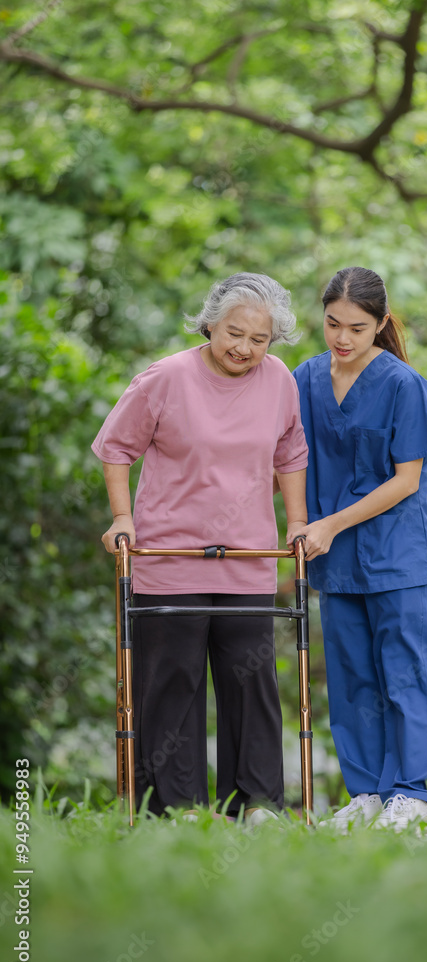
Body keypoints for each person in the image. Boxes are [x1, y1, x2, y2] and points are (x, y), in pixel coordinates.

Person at [92, 273, 308, 822]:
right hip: (170, 559)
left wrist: (298, 523)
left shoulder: (279, 380)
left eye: (259, 340)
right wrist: (122, 517)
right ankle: (174, 810)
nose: (244, 348)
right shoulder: (166, 378)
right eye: (235, 333)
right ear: (210, 322)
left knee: (250, 686)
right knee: (172, 685)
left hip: (248, 560)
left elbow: (290, 455)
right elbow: (116, 447)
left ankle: (256, 807)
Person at [293, 266, 427, 832]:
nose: (342, 338)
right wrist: (304, 525)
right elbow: (291, 461)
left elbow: (407, 479)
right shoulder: (304, 379)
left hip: (397, 556)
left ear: (380, 324)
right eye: (332, 323)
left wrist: (330, 524)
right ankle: (369, 797)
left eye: (357, 327)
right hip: (334, 560)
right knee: (353, 678)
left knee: (406, 674)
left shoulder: (404, 385)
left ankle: (410, 797)